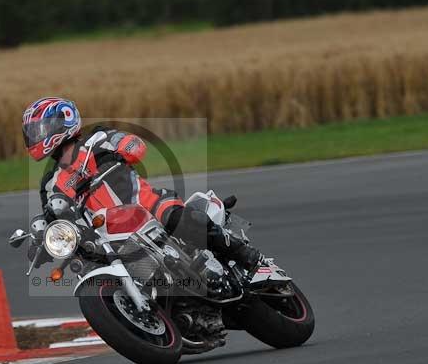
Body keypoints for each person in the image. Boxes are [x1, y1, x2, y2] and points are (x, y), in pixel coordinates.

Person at [22, 96, 261, 273]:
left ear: (63, 121)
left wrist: (119, 153)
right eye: (32, 132)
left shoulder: (98, 139)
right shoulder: (51, 183)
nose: (36, 137)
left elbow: (134, 145)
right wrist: (41, 240)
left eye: (41, 129)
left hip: (148, 206)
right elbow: (53, 217)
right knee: (85, 265)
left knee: (178, 219)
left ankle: (243, 253)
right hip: (107, 234)